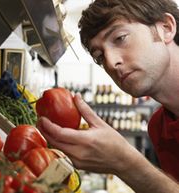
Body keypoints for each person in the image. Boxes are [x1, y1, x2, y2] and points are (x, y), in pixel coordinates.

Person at [36, 0, 179, 192]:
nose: (111, 62)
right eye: (100, 56)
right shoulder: (158, 127)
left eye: (120, 38)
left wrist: (125, 162)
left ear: (166, 28)